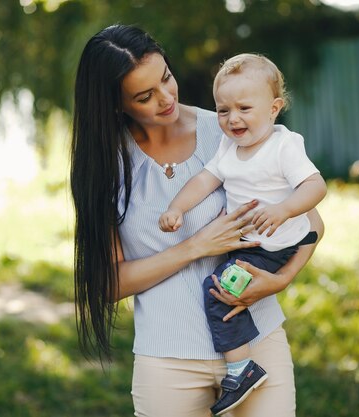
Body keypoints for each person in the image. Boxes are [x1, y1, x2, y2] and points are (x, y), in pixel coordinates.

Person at [70, 24, 324, 417]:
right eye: (144, 96)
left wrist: (282, 279)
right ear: (115, 105)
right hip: (167, 362)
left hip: (259, 344)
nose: (167, 97)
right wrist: (195, 247)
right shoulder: (104, 167)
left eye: (166, 78)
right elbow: (106, 282)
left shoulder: (228, 127)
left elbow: (311, 221)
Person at [158, 53, 327, 415]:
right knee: (227, 285)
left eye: (245, 108)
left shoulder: (284, 145)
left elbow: (316, 186)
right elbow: (205, 180)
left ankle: (241, 368)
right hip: (252, 245)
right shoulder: (229, 148)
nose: (233, 118)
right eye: (223, 110)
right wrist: (177, 208)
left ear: (274, 108)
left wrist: (284, 210)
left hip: (275, 245)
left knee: (219, 290)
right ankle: (242, 361)